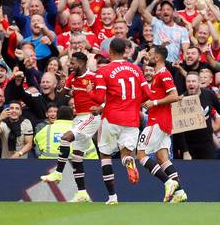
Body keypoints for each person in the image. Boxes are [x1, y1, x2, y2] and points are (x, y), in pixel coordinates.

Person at [88, 38, 152, 205]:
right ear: (125, 51)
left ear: (110, 52)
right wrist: (134, 102)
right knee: (126, 153)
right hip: (132, 118)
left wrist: (89, 91)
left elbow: (98, 98)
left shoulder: (104, 71)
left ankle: (112, 197)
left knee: (105, 154)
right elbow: (147, 94)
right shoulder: (137, 70)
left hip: (111, 117)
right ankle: (129, 162)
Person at [40, 52, 101, 202]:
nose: (69, 65)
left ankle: (58, 173)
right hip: (78, 118)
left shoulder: (94, 77)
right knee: (77, 156)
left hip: (91, 117)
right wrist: (62, 85)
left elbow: (104, 98)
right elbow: (60, 100)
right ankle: (82, 193)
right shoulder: (72, 78)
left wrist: (100, 107)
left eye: (72, 63)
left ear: (81, 63)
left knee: (66, 137)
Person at [137, 45, 187, 203]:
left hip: (157, 121)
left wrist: (154, 102)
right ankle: (180, 192)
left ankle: (168, 182)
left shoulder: (164, 74)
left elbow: (173, 95)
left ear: (157, 58)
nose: (148, 57)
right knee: (162, 158)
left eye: (151, 54)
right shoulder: (158, 74)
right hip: (163, 121)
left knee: (141, 155)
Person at [180, 72, 220, 159]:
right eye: (188, 81)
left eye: (193, 81)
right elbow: (179, 131)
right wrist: (185, 151)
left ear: (199, 82)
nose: (191, 83)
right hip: (189, 145)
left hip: (207, 143)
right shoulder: (181, 99)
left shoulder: (209, 94)